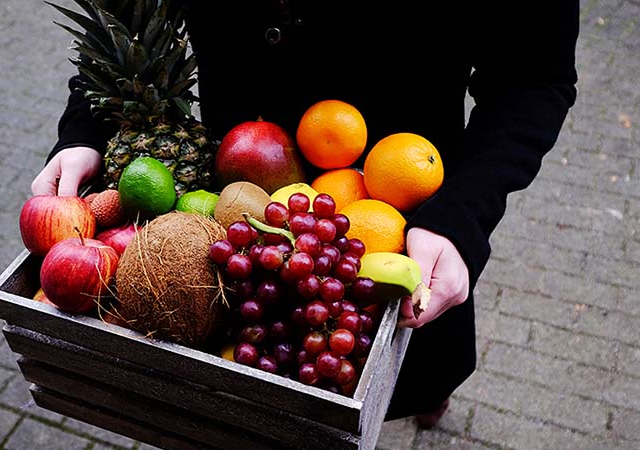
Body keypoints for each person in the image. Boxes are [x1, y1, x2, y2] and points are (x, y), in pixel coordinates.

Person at [32, 1, 579, 429]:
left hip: (404, 207)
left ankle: (427, 392)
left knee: (408, 354)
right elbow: (124, 20)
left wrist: (464, 214)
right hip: (234, 200)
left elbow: (533, 74)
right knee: (252, 372)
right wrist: (85, 129)